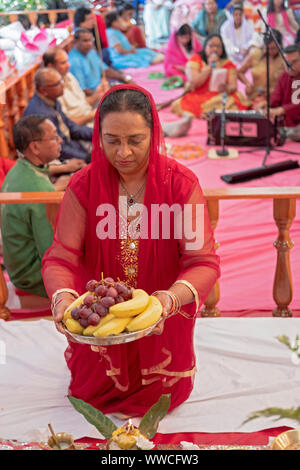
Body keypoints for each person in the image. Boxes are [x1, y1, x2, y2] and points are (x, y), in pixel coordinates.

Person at [42, 84, 220, 417]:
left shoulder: (180, 184)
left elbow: (203, 262)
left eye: (135, 140)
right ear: (99, 137)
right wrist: (63, 299)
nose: (123, 152)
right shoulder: (83, 185)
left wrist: (167, 300)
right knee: (92, 395)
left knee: (162, 397)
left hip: (163, 326)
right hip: (102, 323)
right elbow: (60, 258)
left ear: (153, 133)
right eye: (112, 141)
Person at [1, 115, 70, 310]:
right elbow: (51, 251)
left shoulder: (19, 169)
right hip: (30, 276)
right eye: (54, 137)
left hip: (16, 266)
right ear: (35, 147)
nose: (60, 141)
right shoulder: (40, 189)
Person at [23, 68, 93, 162]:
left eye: (61, 80)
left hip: (69, 146)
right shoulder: (42, 115)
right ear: (44, 90)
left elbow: (72, 127)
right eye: (57, 84)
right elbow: (57, 149)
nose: (63, 84)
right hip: (56, 159)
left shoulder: (52, 99)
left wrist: (98, 133)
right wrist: (87, 158)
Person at [171, 33, 249, 117]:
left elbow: (233, 86)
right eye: (211, 46)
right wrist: (209, 67)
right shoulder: (195, 60)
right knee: (178, 104)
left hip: (219, 96)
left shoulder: (228, 64)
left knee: (233, 99)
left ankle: (208, 113)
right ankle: (210, 113)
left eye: (218, 46)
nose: (215, 49)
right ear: (205, 47)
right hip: (198, 95)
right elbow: (193, 83)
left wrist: (226, 88)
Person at [43, 46, 107, 126]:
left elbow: (83, 103)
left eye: (67, 61)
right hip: (83, 127)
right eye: (63, 63)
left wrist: (98, 94)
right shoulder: (53, 90)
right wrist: (92, 116)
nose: (68, 65)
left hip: (91, 117)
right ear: (50, 66)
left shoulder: (68, 76)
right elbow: (67, 125)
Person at [68, 28, 131, 95]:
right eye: (85, 41)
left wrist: (125, 79)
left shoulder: (90, 52)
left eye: (91, 40)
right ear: (75, 42)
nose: (89, 44)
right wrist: (104, 95)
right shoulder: (73, 61)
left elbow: (105, 70)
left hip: (103, 89)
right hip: (94, 96)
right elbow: (83, 90)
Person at [237, 29, 285, 109]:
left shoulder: (284, 59)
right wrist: (248, 83)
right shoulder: (257, 54)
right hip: (255, 95)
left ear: (280, 45)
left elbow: (289, 81)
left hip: (275, 98)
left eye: (273, 48)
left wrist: (275, 90)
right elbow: (239, 72)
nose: (270, 51)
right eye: (267, 48)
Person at [270, 44, 300, 141]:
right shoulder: (283, 77)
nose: (290, 66)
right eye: (286, 62)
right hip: (287, 124)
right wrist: (266, 106)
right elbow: (275, 100)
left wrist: (282, 109)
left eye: (294, 62)